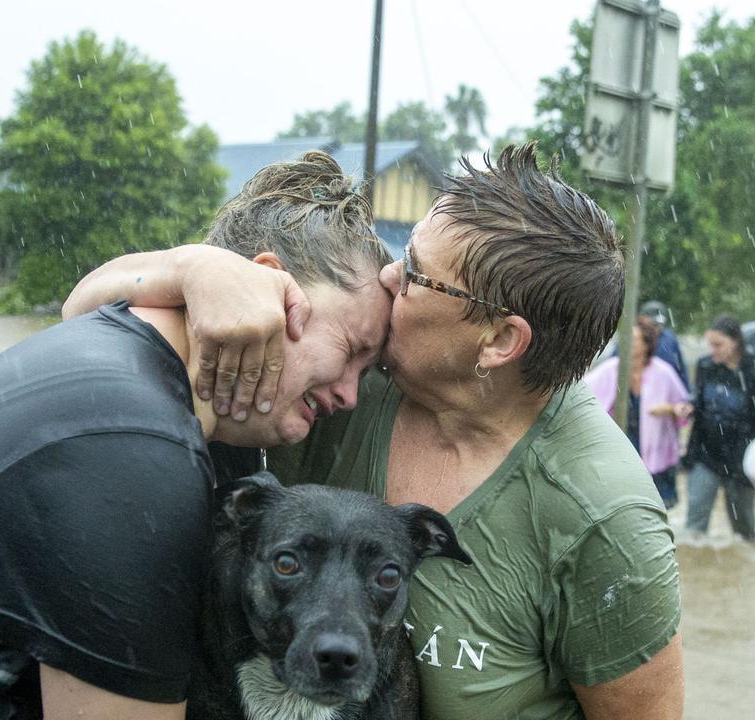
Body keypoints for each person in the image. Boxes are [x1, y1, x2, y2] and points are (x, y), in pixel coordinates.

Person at [65, 144, 685, 719]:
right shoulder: (352, 376)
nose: (390, 277)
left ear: (498, 340)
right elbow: (88, 331)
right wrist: (195, 269)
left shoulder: (603, 517)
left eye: (416, 272)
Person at [0, 152, 393, 720]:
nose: (347, 395)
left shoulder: (138, 370)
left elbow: (81, 299)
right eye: (351, 351)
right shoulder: (128, 449)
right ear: (265, 290)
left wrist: (185, 268)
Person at [676, 314, 755, 543]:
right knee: (693, 530)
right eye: (710, 344)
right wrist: (690, 405)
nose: (712, 350)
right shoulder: (706, 366)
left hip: (741, 461)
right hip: (705, 455)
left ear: (735, 342)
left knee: (744, 533)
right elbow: (699, 397)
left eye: (718, 344)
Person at [586, 322, 689, 508]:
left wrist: (670, 409)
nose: (627, 343)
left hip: (658, 451)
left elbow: (684, 406)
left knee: (660, 507)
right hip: (623, 448)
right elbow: (580, 395)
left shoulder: (663, 372)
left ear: (646, 344)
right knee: (622, 505)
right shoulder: (610, 370)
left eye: (633, 339)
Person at [639, 299, 689, 389]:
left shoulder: (669, 339)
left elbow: (680, 371)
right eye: (653, 324)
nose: (656, 328)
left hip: (663, 392)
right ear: (642, 319)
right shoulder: (632, 338)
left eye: (658, 324)